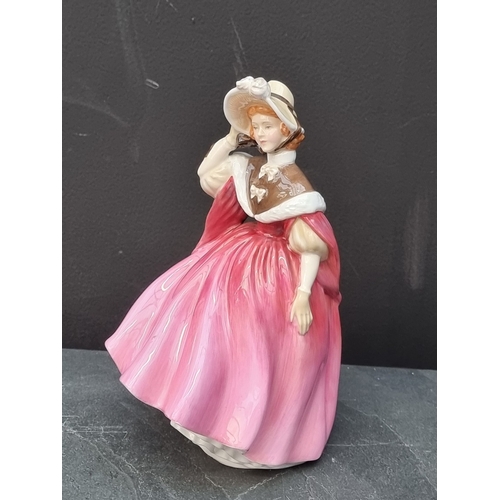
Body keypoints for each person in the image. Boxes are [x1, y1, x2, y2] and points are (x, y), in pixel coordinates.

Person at [105, 76, 342, 469]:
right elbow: (207, 175)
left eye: (267, 126)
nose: (259, 134)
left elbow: (309, 244)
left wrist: (302, 294)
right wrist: (232, 138)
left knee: (259, 339)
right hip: (241, 252)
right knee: (201, 307)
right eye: (255, 126)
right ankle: (203, 402)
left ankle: (257, 427)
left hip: (277, 269)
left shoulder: (296, 186)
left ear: (286, 129)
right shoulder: (251, 168)